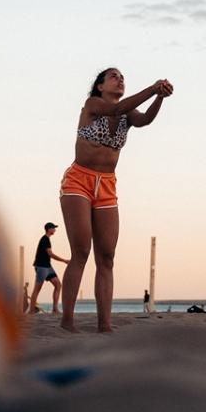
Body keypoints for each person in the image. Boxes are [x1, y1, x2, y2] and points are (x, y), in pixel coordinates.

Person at [59, 68, 172, 333]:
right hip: (79, 181)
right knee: (81, 252)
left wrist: (160, 97)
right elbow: (115, 108)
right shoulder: (93, 105)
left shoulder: (127, 113)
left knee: (107, 257)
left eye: (122, 77)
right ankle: (67, 321)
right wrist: (152, 88)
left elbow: (144, 120)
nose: (120, 80)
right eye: (113, 77)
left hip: (107, 185)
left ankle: (104, 325)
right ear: (100, 86)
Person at [30, 222, 69, 315]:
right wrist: (64, 260)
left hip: (48, 267)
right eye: (53, 228)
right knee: (37, 289)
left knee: (58, 285)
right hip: (41, 267)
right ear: (49, 229)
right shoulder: (45, 240)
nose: (54, 230)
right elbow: (50, 254)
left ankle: (55, 309)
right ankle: (31, 311)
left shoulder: (47, 239)